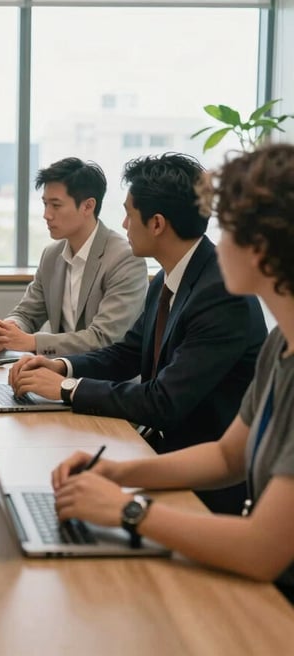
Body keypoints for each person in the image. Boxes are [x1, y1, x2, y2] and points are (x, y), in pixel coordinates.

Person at [51, 143, 294, 601]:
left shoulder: (224, 298)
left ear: (263, 249)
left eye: (230, 230)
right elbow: (227, 457)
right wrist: (116, 474)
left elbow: (263, 550)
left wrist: (128, 511)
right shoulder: (280, 344)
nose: (218, 243)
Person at [10, 152, 267, 514]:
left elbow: (164, 402)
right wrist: (63, 367)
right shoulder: (168, 278)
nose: (124, 223)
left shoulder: (221, 294)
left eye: (129, 213)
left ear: (157, 224)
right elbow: (127, 353)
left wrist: (67, 389)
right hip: (162, 455)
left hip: (206, 486)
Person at [0, 157, 147, 355]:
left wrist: (32, 342)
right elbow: (27, 313)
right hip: (56, 368)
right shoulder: (51, 255)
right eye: (45, 204)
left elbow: (104, 338)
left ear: (88, 206)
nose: (46, 214)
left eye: (56, 205)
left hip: (105, 372)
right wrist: (8, 329)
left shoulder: (125, 258)